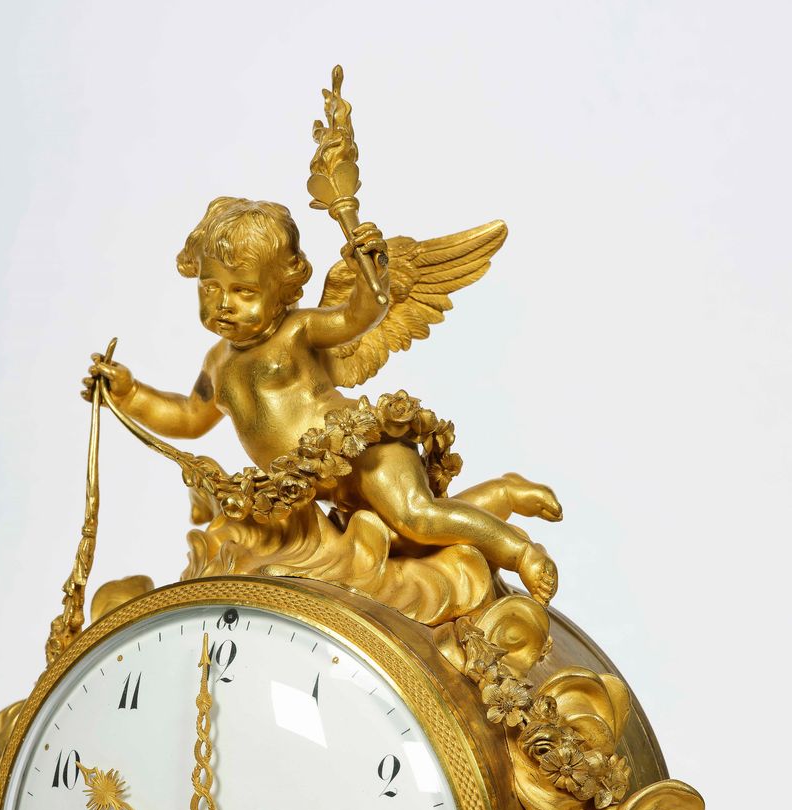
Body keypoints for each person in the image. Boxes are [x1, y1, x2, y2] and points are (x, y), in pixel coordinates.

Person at [85, 197, 559, 603]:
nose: (224, 304)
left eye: (244, 291)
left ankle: (520, 552)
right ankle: (502, 493)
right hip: (326, 488)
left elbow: (360, 315)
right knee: (410, 544)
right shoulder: (217, 363)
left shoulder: (300, 331)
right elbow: (188, 418)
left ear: (284, 290)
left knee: (417, 516)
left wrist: (370, 271)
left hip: (362, 451)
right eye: (211, 287)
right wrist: (128, 393)